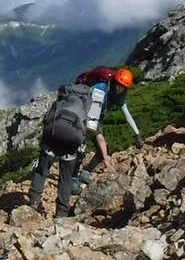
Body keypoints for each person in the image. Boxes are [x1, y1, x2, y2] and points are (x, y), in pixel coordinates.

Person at [29, 66, 144, 217]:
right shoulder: (99, 90)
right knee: (74, 161)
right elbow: (91, 126)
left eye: (123, 87)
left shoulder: (114, 94)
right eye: (119, 85)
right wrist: (105, 156)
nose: (119, 89)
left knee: (45, 167)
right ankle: (66, 200)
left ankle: (38, 200)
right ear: (114, 82)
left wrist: (137, 134)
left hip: (60, 127)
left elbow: (126, 113)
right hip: (83, 121)